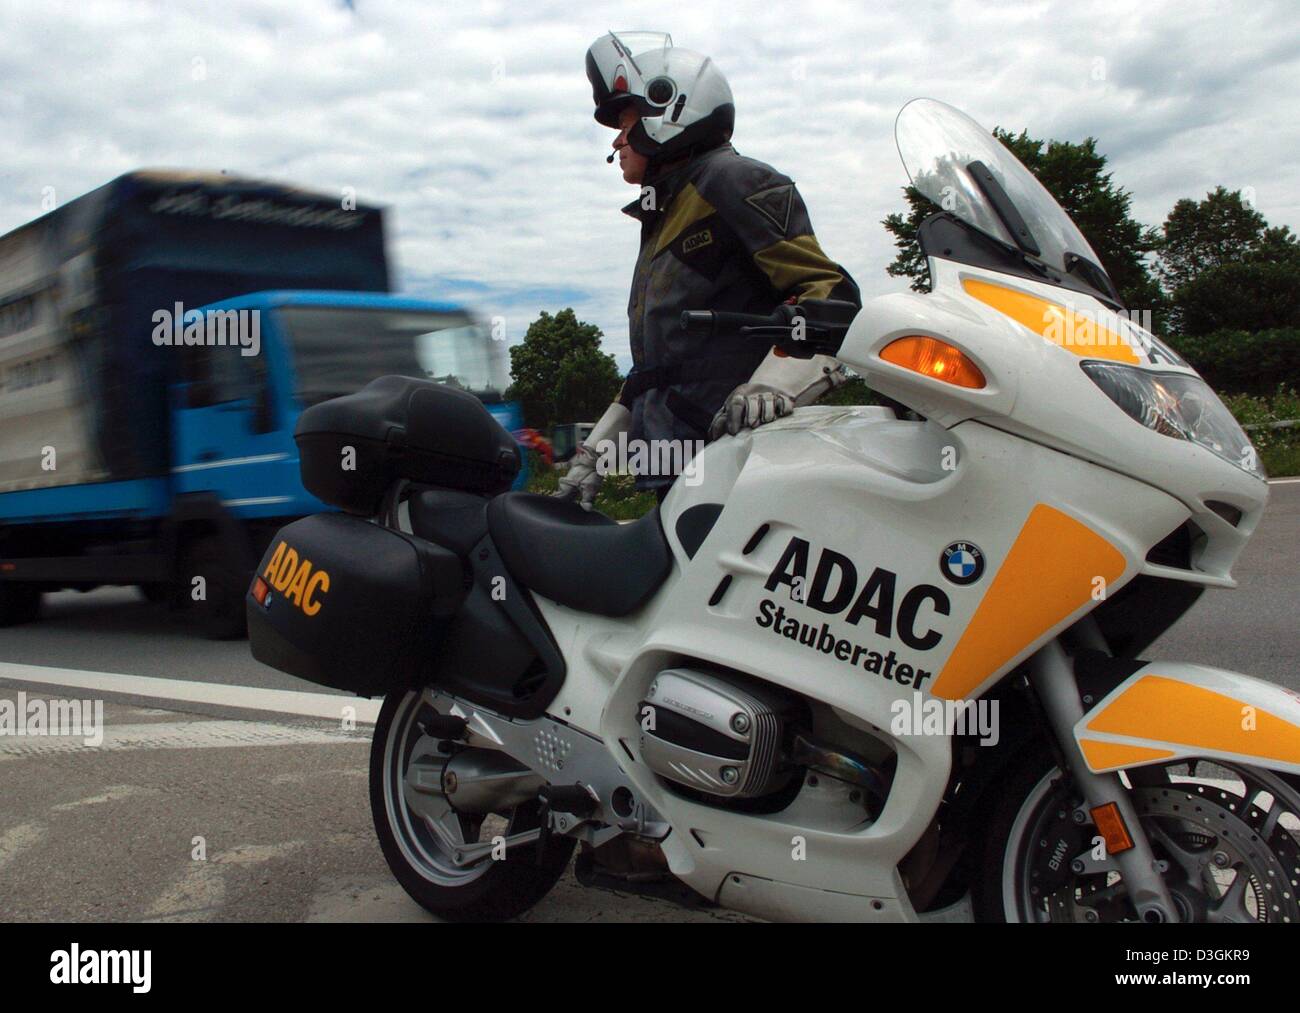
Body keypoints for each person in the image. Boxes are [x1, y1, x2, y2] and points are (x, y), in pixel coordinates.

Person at [557, 31, 862, 508]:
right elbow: (651, 370)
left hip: (738, 461)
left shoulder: (732, 179)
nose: (618, 139)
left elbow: (830, 298)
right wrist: (594, 455)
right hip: (677, 461)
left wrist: (768, 389)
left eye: (626, 119)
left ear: (668, 107)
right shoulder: (666, 212)